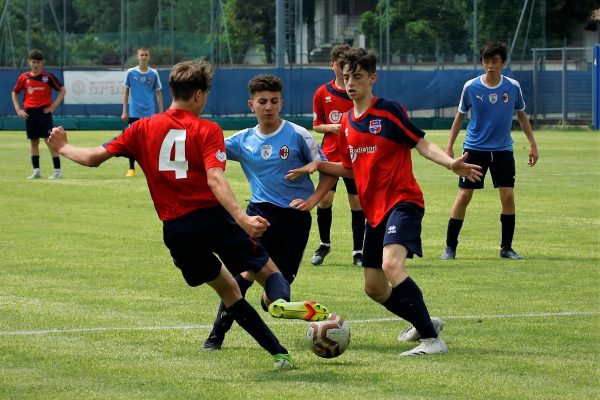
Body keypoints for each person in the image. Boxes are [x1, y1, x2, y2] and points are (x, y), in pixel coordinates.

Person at [47, 60, 329, 371]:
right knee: (271, 274)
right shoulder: (207, 129)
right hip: (213, 220)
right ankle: (277, 304)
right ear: (198, 95)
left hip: (176, 230)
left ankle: (280, 355)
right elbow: (215, 178)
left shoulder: (140, 128)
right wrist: (242, 218)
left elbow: (91, 158)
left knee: (230, 291)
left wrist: (63, 147)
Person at [287, 48, 483, 355]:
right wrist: (318, 165)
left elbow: (420, 143)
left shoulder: (388, 111)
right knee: (374, 287)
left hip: (402, 201)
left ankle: (433, 341)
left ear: (372, 79)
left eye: (358, 77)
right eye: (346, 76)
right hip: (374, 213)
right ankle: (424, 322)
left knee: (392, 265)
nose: (350, 82)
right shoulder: (348, 124)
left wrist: (449, 163)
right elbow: (352, 169)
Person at [202, 74, 336, 351]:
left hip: (294, 220)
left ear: (281, 102)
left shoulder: (299, 135)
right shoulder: (241, 140)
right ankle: (216, 335)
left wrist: (312, 201)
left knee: (272, 296)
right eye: (262, 101)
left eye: (274, 101)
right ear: (251, 104)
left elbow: (328, 172)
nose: (268, 107)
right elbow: (208, 154)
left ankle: (280, 306)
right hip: (258, 217)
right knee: (245, 274)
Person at [439, 41, 539, 261]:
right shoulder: (471, 87)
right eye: (486, 61)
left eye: (495, 61)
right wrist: (449, 146)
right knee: (464, 195)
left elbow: (522, 115)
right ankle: (450, 247)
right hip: (475, 149)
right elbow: (460, 116)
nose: (490, 65)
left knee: (508, 195)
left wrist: (532, 143)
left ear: (503, 62)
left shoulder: (512, 86)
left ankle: (506, 248)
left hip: (503, 150)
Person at [311, 44, 366, 267]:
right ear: (332, 65)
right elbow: (316, 126)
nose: (343, 67)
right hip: (331, 155)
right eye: (339, 63)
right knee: (325, 199)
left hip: (354, 156)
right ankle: (324, 245)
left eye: (346, 64)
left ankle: (358, 251)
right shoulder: (322, 92)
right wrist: (334, 127)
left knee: (356, 202)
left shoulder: (358, 91)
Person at [11, 49, 66, 180]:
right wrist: (18, 109)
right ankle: (36, 171)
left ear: (42, 63)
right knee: (33, 142)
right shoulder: (24, 77)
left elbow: (62, 90)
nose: (35, 64)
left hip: (43, 113)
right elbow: (14, 92)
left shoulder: (48, 77)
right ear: (29, 62)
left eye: (38, 62)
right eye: (33, 61)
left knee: (49, 141)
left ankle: (57, 171)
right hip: (30, 113)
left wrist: (53, 107)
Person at [121, 47, 164, 177]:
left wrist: (161, 112)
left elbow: (158, 94)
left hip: (150, 113)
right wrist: (124, 111)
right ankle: (131, 168)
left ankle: (150, 169)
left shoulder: (154, 73)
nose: (144, 57)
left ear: (149, 57)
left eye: (146, 55)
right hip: (134, 113)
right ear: (137, 57)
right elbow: (126, 92)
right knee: (132, 140)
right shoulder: (130, 72)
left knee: (150, 141)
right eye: (142, 55)